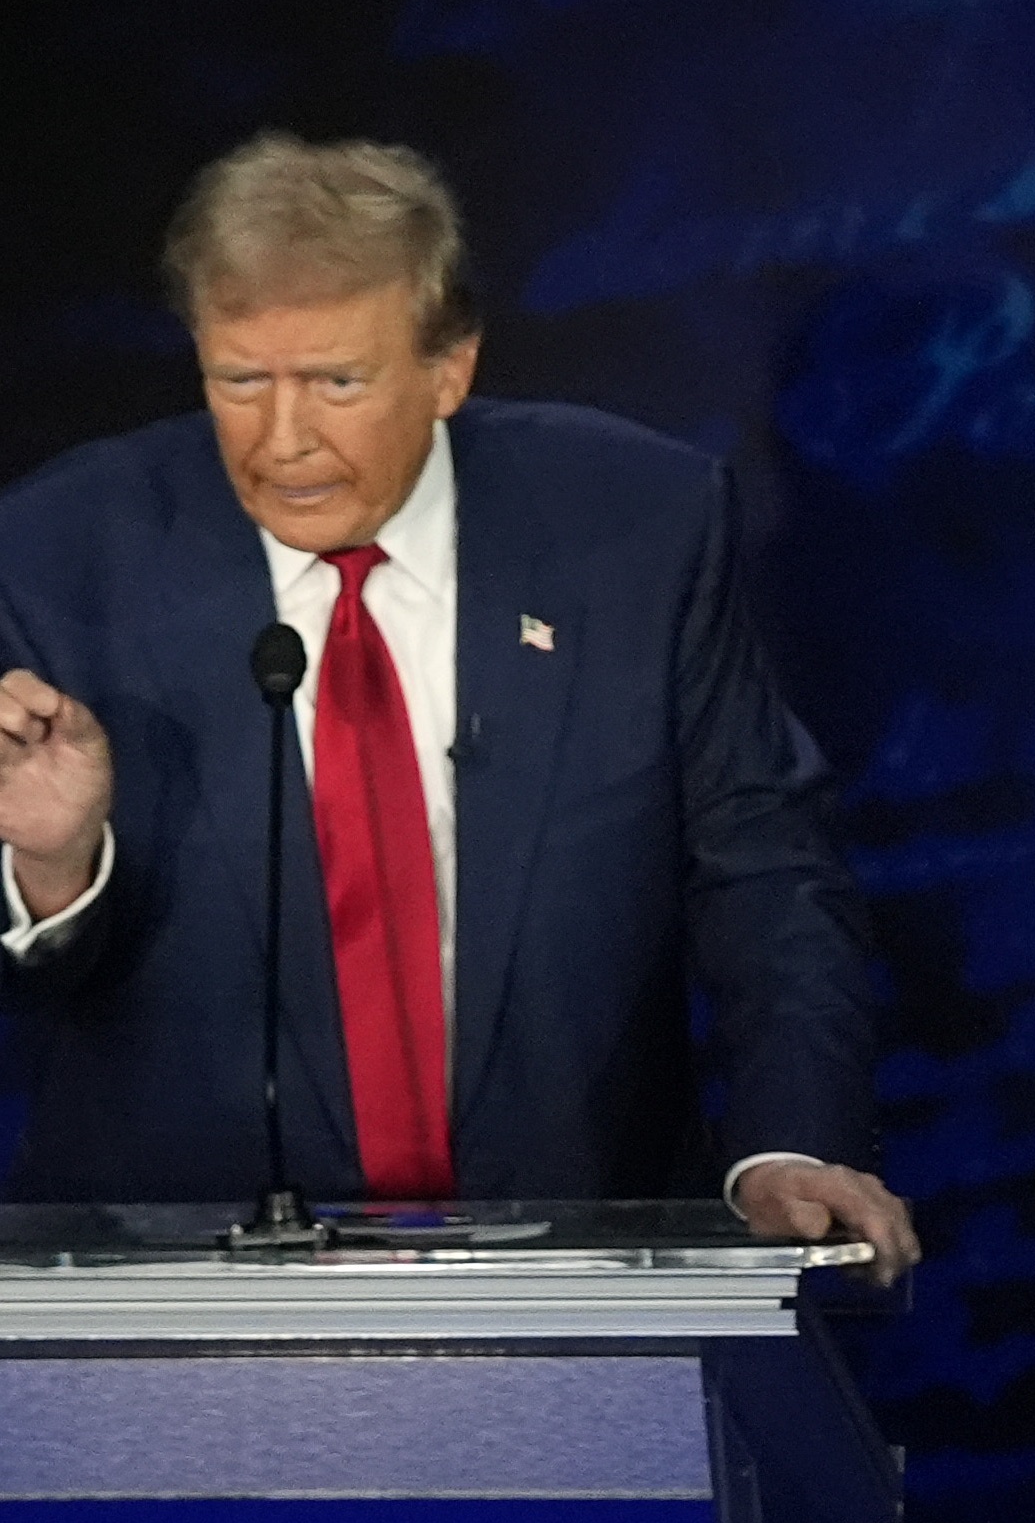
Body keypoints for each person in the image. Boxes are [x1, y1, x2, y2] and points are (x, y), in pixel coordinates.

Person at [0, 133, 914, 1276]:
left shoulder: (636, 527)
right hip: (183, 1297)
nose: (283, 441)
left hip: (580, 1268)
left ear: (449, 367)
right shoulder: (58, 553)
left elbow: (766, 869)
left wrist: (790, 1144)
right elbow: (42, 975)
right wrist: (54, 868)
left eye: (337, 381)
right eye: (240, 381)